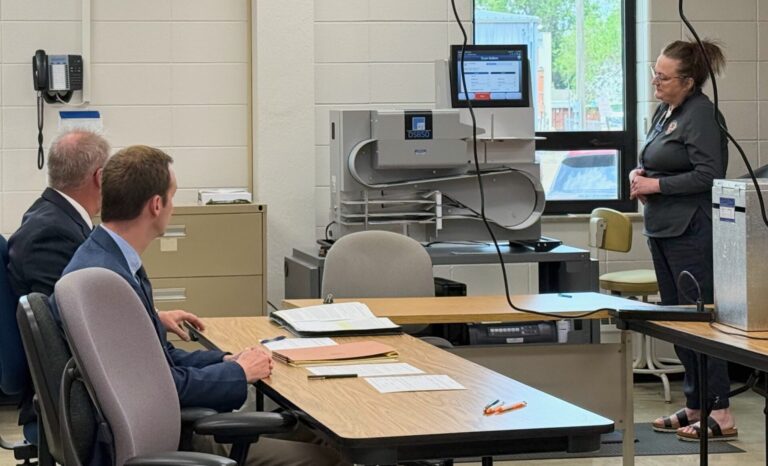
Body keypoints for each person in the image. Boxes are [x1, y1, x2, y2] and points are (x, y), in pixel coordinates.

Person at [57, 145, 345, 465]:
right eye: (173, 196)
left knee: (311, 429)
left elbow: (156, 363)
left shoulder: (107, 260)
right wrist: (237, 372)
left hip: (157, 427)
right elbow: (161, 388)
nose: (174, 207)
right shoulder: (107, 282)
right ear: (156, 205)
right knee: (331, 457)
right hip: (169, 439)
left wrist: (222, 359)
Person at [5, 130, 202, 443]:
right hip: (82, 405)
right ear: (100, 177)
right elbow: (74, 326)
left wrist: (150, 317)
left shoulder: (56, 217)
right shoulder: (52, 232)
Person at [630, 40, 736, 441]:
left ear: (688, 82)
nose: (655, 82)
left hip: (692, 230)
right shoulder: (666, 111)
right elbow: (660, 158)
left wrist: (655, 184)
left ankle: (720, 411)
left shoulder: (702, 114)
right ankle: (695, 404)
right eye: (655, 73)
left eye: (664, 77)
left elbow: (710, 175)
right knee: (678, 323)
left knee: (700, 322)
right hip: (662, 228)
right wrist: (640, 175)